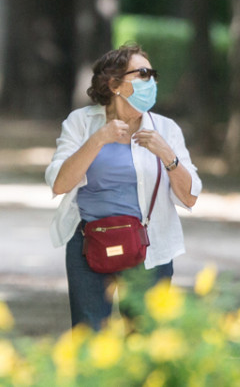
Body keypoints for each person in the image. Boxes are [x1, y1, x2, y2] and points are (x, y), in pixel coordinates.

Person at [45, 43, 202, 330]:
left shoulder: (166, 129)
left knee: (146, 336)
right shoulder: (81, 123)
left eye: (152, 75)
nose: (150, 82)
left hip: (148, 244)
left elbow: (190, 197)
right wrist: (98, 140)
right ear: (114, 84)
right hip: (89, 243)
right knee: (89, 336)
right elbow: (59, 183)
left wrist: (167, 155)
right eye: (142, 74)